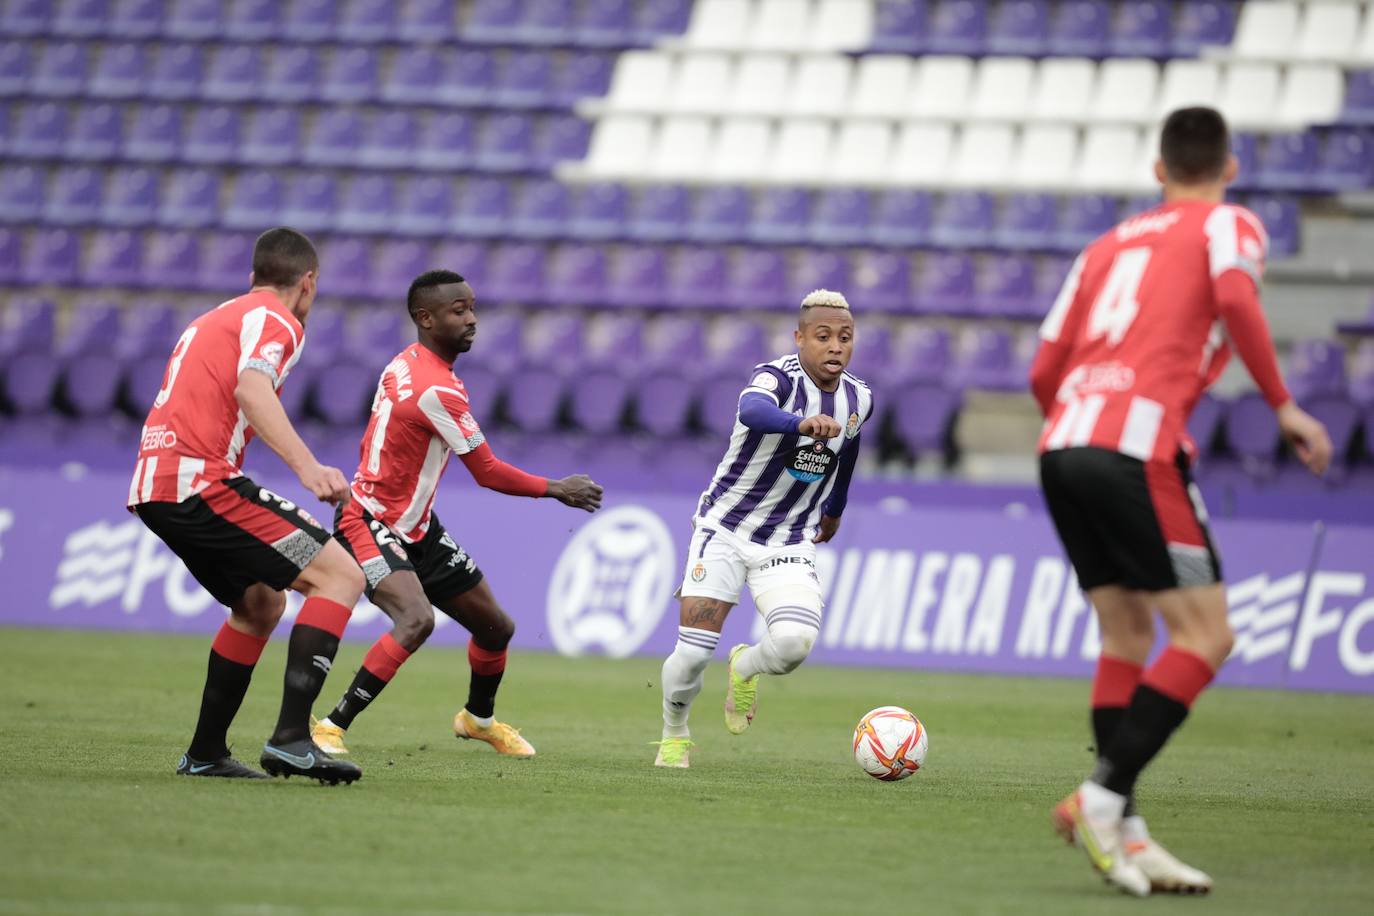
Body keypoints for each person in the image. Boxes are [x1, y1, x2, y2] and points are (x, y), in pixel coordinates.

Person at [1030, 107, 1333, 896]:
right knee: (1206, 636)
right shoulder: (1229, 225)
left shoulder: (1103, 246)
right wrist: (1284, 404)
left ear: (1158, 170)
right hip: (1136, 449)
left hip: (1063, 445)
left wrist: (1080, 423)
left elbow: (1044, 366)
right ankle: (1100, 800)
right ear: (1228, 167)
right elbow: (1234, 300)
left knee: (1125, 634)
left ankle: (1128, 835)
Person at [312, 270, 602, 759]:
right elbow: (486, 471)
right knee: (416, 620)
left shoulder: (407, 363)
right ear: (425, 318)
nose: (472, 320)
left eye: (471, 308)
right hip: (371, 521)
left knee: (496, 628)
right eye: (458, 311)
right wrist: (557, 489)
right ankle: (330, 726)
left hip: (417, 527)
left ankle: (477, 720)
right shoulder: (436, 389)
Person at [128, 227, 366, 784]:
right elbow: (252, 390)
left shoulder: (216, 316)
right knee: (341, 577)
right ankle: (290, 738)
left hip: (155, 482)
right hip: (198, 480)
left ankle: (206, 752)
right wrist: (309, 468)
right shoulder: (278, 319)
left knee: (261, 605)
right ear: (307, 282)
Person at [652, 289, 871, 769]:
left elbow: (849, 448)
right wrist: (800, 424)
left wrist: (835, 508)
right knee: (691, 654)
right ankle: (675, 733)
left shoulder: (860, 397)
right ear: (799, 338)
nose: (836, 346)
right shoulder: (774, 378)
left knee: (793, 645)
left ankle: (745, 666)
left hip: (789, 538)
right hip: (725, 529)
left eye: (845, 337)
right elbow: (751, 412)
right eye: (823, 336)